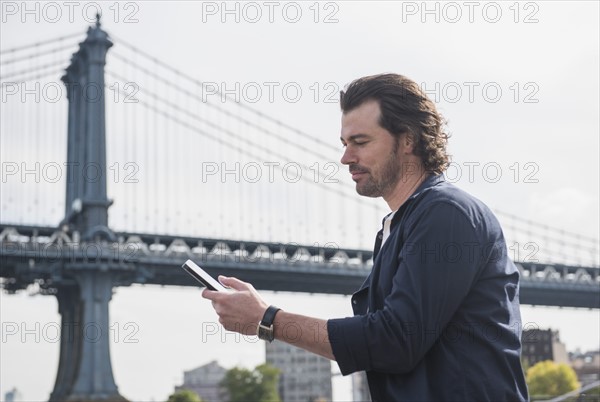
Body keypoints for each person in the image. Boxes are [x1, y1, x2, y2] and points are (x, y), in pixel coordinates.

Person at [202, 73, 529, 401]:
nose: (345, 158)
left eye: (361, 142)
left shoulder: (447, 214)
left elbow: (397, 340)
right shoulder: (399, 226)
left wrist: (267, 318)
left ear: (407, 140)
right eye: (345, 144)